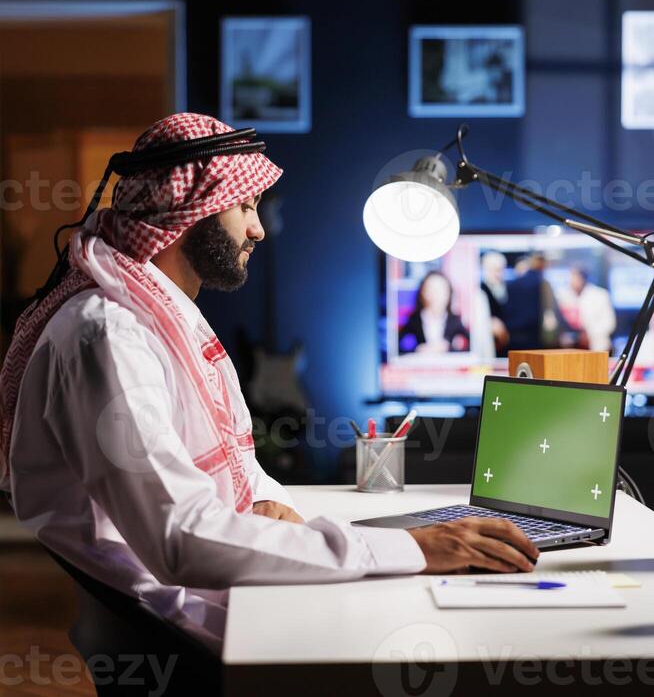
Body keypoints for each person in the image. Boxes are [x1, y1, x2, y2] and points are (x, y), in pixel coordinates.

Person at [0, 113, 537, 655]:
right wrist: (412, 548)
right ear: (195, 210)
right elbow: (181, 538)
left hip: (212, 595)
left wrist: (285, 515)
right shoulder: (108, 334)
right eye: (245, 207)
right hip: (190, 626)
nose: (257, 229)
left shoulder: (157, 314)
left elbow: (235, 482)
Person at [399, 271, 470, 354]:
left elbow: (470, 347)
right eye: (430, 289)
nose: (435, 294)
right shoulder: (414, 319)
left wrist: (449, 348)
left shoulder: (455, 320)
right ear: (422, 292)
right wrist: (417, 349)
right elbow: (398, 347)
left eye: (440, 290)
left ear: (449, 294)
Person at [562, 267, 616, 353]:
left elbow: (609, 324)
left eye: (574, 277)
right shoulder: (564, 296)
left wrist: (588, 335)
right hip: (572, 347)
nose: (571, 281)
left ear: (583, 278)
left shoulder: (600, 295)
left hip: (597, 346)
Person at [480, 251, 510, 356]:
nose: (497, 273)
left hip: (506, 344)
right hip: (489, 344)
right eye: (493, 269)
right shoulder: (480, 290)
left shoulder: (508, 288)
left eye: (500, 269)